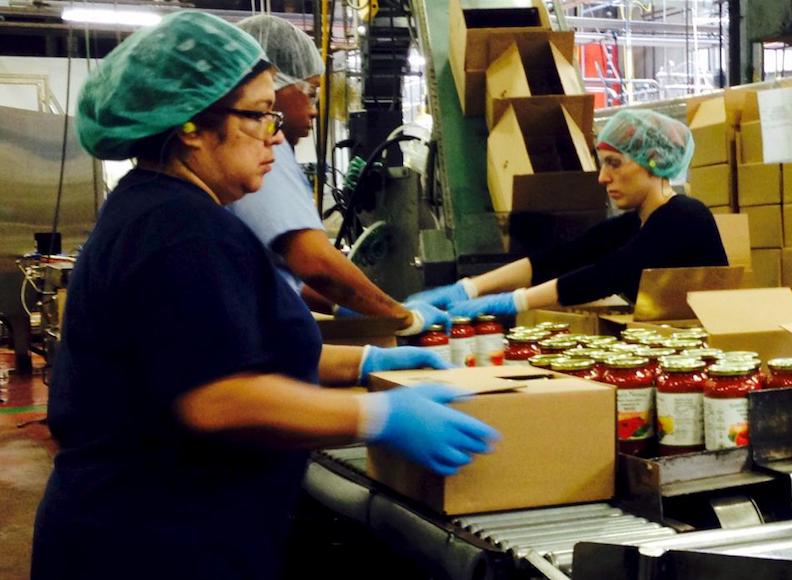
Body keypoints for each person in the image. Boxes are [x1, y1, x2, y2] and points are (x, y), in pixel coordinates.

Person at [32, 12, 497, 579]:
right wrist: (376, 413)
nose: (276, 133)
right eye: (257, 115)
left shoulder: (171, 211)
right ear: (190, 127)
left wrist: (373, 360)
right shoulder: (179, 227)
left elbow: (237, 350)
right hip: (152, 542)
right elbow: (216, 398)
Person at [227, 14, 447, 331]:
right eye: (311, 93)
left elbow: (283, 278)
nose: (315, 110)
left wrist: (343, 308)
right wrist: (401, 316)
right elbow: (314, 263)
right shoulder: (265, 151)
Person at [409, 108, 729, 317]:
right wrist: (470, 287)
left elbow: (607, 274)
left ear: (655, 161)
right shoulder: (636, 222)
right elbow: (563, 257)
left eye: (615, 164)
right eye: (603, 165)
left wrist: (512, 302)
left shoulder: (686, 217)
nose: (603, 178)